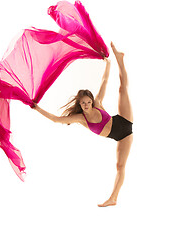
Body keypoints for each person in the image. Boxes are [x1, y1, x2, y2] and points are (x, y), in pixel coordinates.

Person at [33, 42, 133, 207]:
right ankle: (113, 198)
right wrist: (37, 108)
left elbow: (105, 80)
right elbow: (56, 119)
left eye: (88, 101)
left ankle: (119, 59)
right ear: (80, 104)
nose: (87, 105)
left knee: (123, 89)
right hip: (122, 137)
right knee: (119, 165)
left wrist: (108, 63)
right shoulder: (80, 119)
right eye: (84, 103)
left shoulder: (98, 104)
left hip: (124, 120)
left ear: (91, 101)